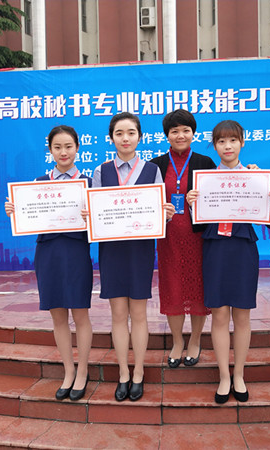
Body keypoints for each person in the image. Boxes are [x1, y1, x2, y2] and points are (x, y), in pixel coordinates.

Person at [187, 120, 270, 403]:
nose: (227, 146)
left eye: (233, 140)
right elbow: (197, 225)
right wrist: (192, 204)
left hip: (242, 248)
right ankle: (224, 376)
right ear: (214, 146)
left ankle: (239, 374)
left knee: (242, 315)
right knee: (218, 315)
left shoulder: (256, 177)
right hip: (215, 249)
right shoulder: (204, 180)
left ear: (242, 142)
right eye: (221, 141)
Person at [84, 112, 175, 402]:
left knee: (138, 313)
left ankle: (138, 371)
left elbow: (157, 207)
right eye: (119, 133)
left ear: (140, 137)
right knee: (118, 314)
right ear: (111, 138)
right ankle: (123, 372)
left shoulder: (151, 170)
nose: (125, 138)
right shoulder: (101, 171)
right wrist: (90, 214)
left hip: (140, 249)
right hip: (112, 250)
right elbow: (96, 209)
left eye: (131, 133)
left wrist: (165, 213)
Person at [5, 125, 93, 402]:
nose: (63, 152)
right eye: (57, 147)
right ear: (50, 151)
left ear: (77, 148)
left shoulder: (89, 183)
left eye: (68, 146)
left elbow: (101, 224)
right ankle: (68, 371)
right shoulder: (38, 182)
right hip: (48, 253)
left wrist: (92, 215)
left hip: (76, 252)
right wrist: (15, 210)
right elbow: (29, 217)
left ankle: (83, 371)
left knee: (80, 314)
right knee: (58, 316)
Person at [150, 109, 215, 369]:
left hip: (198, 238)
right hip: (169, 239)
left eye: (186, 130)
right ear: (166, 135)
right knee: (173, 289)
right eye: (174, 131)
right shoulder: (155, 165)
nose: (180, 135)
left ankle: (195, 340)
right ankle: (177, 341)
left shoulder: (205, 162)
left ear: (193, 133)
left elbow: (217, 199)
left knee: (198, 289)